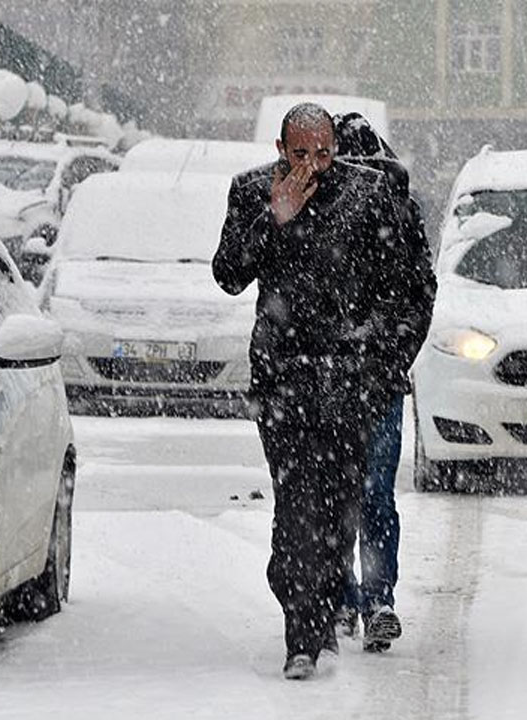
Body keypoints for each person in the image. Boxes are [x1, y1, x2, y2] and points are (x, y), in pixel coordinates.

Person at [213, 103, 433, 680]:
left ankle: (326, 601)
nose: (313, 165)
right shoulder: (252, 192)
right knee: (295, 507)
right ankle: (302, 636)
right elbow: (229, 273)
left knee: (338, 510)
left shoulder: (369, 196)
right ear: (281, 148)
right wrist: (274, 220)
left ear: (336, 148)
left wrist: (383, 364)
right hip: (284, 383)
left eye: (324, 152)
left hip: (350, 385)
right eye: (301, 153)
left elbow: (410, 288)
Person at [329, 112, 436, 653]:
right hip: (348, 379)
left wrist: (388, 353)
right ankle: (354, 597)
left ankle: (370, 598)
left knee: (361, 491)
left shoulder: (393, 212)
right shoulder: (388, 209)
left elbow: (418, 295)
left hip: (369, 380)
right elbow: (420, 296)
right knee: (355, 493)